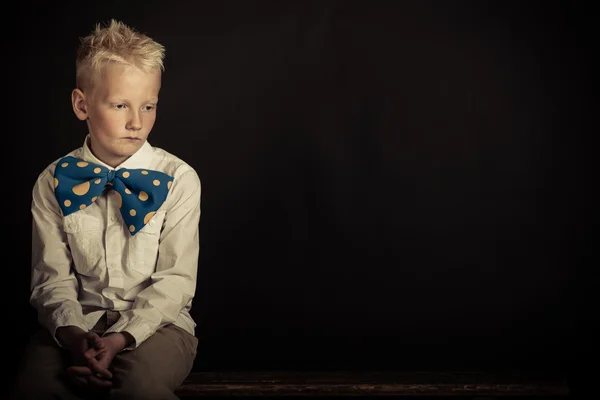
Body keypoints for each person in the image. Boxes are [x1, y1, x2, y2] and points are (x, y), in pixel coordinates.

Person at [11, 19, 201, 400]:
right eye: (120, 105)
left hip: (160, 326)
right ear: (82, 105)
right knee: (37, 388)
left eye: (148, 106)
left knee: (137, 388)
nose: (137, 122)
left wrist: (120, 338)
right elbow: (51, 280)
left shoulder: (178, 178)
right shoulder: (52, 181)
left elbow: (175, 282)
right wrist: (74, 337)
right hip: (74, 325)